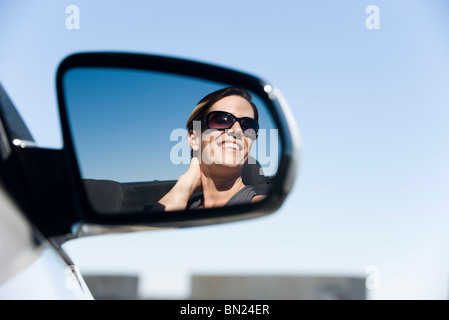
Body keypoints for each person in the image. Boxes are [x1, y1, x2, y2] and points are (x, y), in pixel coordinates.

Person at [157, 87, 267, 211]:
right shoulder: (184, 208)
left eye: (248, 126)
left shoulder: (263, 206)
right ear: (194, 139)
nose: (238, 131)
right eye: (221, 120)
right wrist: (187, 182)